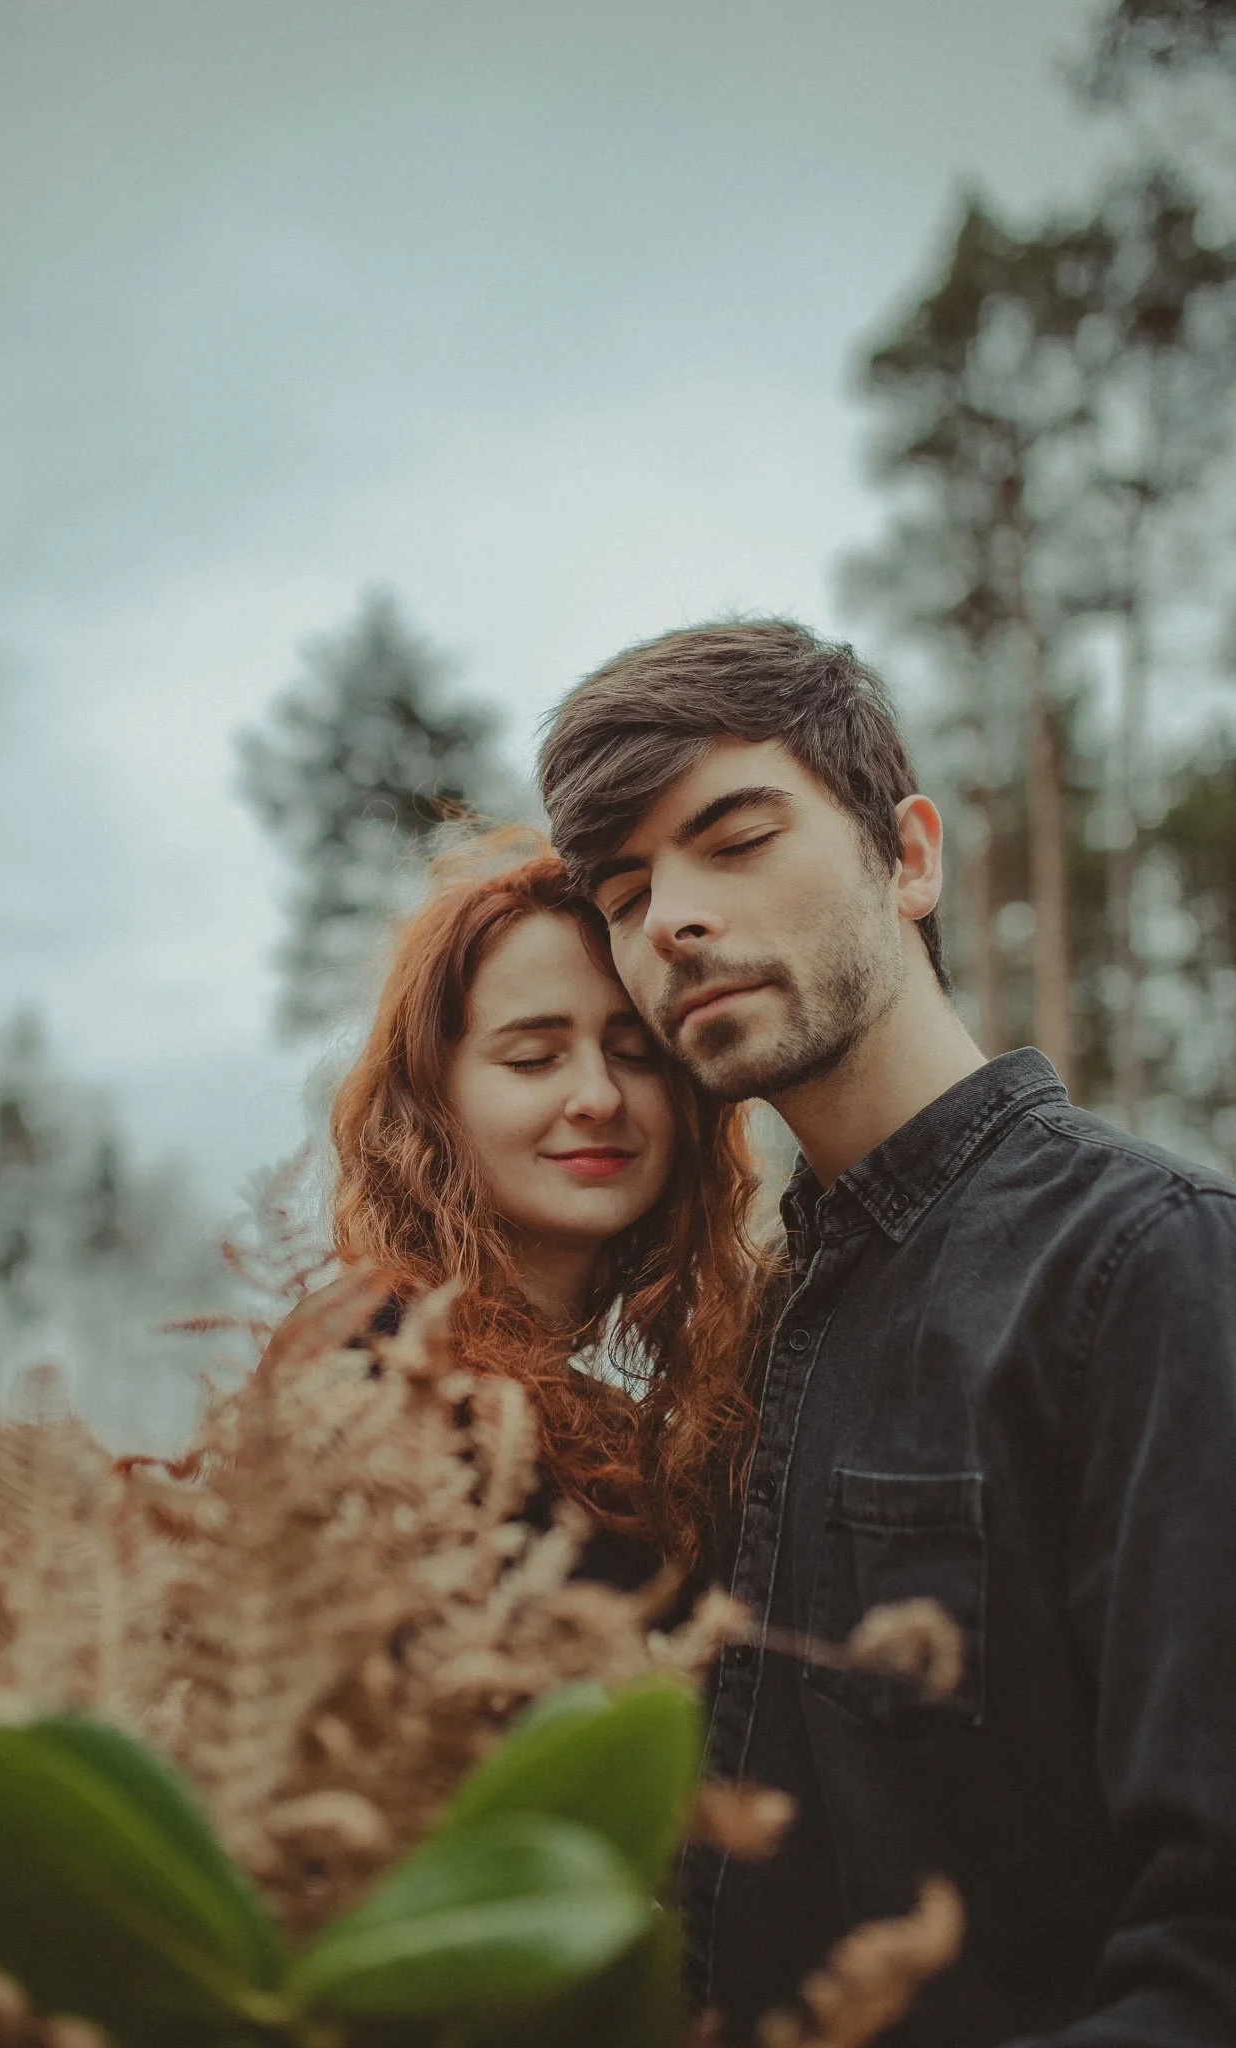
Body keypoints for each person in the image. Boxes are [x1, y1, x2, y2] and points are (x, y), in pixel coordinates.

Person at [538, 619, 1236, 2048]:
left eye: (733, 839)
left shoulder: (1145, 1262)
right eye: (624, 891)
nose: (667, 918)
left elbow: (1211, 1942)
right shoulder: (753, 1331)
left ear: (907, 858)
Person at [324, 833, 761, 1583]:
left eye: (635, 1054)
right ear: (429, 1103)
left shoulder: (607, 1423)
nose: (597, 1097)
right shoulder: (375, 1373)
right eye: (532, 1059)